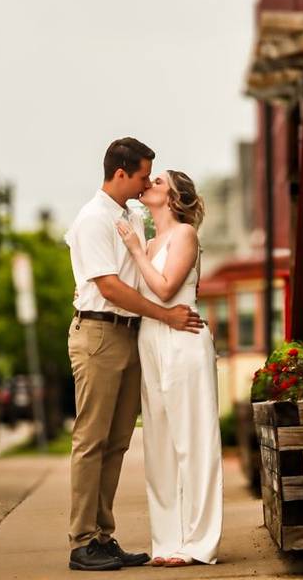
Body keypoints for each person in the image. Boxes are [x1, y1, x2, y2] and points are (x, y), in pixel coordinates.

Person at [63, 138, 204, 572]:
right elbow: (109, 286)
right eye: (143, 175)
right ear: (121, 173)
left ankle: (104, 536)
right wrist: (165, 315)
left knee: (118, 442)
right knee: (91, 441)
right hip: (99, 335)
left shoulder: (131, 215)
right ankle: (82, 540)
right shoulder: (92, 219)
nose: (146, 182)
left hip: (129, 336)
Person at [115, 170, 223, 567]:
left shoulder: (184, 235)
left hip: (183, 339)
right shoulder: (150, 239)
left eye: (158, 182)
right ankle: (167, 541)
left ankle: (199, 541)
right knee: (159, 443)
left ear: (175, 197)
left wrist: (137, 252)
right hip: (151, 339)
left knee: (192, 440)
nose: (149, 184)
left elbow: (164, 289)